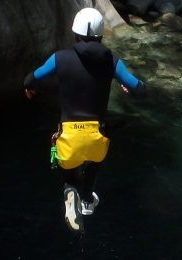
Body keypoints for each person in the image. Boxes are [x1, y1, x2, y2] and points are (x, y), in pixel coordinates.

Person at [23, 7, 145, 232]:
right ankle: (87, 199)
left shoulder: (60, 58)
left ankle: (70, 189)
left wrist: (29, 88)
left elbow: (31, 78)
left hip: (67, 138)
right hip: (95, 137)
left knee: (69, 170)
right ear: (101, 35)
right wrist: (129, 86)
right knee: (95, 162)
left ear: (75, 34)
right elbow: (139, 88)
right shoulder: (112, 61)